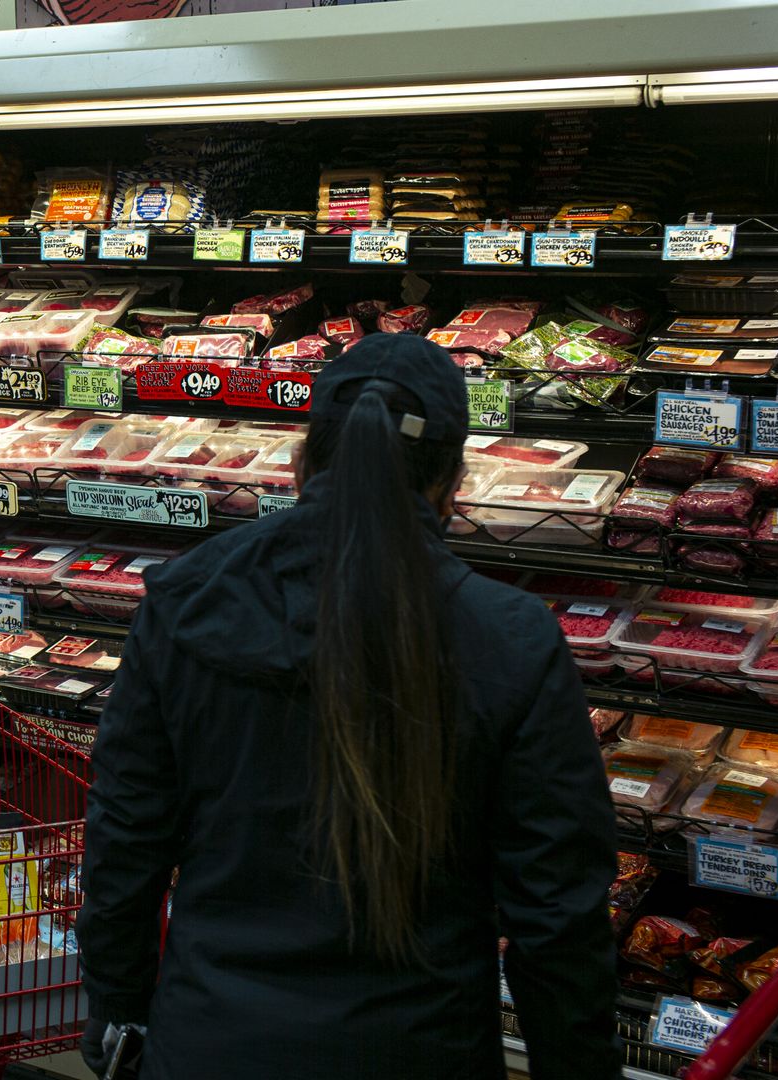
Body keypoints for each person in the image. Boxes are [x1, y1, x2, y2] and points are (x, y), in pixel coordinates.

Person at [77, 334, 619, 1080]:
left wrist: (117, 1008)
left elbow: (126, 838)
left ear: (302, 463)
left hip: (212, 1039)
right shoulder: (512, 637)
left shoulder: (186, 602)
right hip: (420, 1047)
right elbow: (558, 913)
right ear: (451, 484)